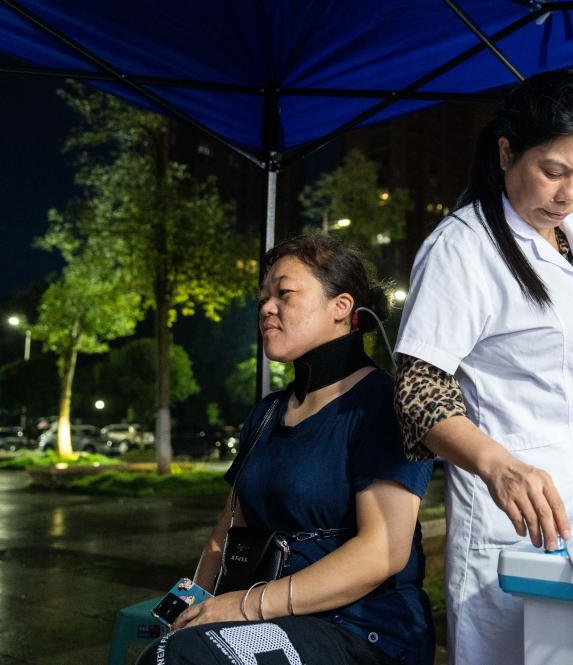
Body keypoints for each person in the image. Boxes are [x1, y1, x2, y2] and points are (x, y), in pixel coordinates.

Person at [393, 71, 573, 664]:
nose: (569, 193)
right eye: (553, 171)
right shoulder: (461, 248)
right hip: (512, 526)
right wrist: (499, 467)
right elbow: (417, 389)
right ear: (506, 153)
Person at [139, 235, 435, 665]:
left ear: (342, 307)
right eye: (263, 297)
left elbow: (382, 552)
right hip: (265, 618)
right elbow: (226, 530)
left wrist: (244, 606)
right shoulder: (266, 413)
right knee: (167, 648)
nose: (266, 308)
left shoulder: (381, 405)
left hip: (361, 632)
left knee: (184, 660)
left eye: (285, 293)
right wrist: (195, 604)